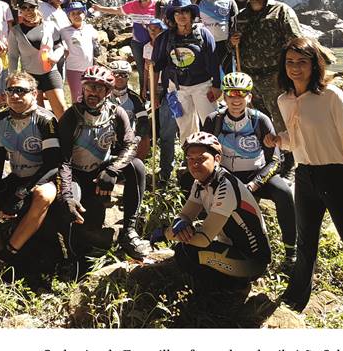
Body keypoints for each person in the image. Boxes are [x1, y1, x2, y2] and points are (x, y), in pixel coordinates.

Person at [267, 37, 343, 328]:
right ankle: (297, 297)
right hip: (306, 174)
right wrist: (278, 140)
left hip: (339, 176)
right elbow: (297, 141)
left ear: (314, 64)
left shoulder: (331, 95)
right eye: (290, 62)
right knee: (305, 241)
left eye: (302, 62)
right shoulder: (285, 100)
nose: (296, 68)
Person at [0, 73, 61, 275]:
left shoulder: (46, 120)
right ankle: (1, 257)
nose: (15, 96)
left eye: (21, 91)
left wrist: (22, 193)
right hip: (16, 176)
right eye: (10, 90)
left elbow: (52, 164)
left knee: (43, 196)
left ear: (34, 93)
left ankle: (6, 255)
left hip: (43, 177)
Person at [150, 132, 271, 292]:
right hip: (232, 248)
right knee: (186, 250)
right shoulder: (201, 183)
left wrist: (166, 233)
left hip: (252, 261)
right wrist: (180, 223)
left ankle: (226, 294)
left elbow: (203, 239)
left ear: (217, 159)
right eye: (190, 159)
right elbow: (186, 214)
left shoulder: (225, 186)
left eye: (201, 159)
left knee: (187, 253)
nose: (194, 164)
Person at [202, 72, 297, 271]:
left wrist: (255, 184)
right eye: (231, 95)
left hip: (256, 176)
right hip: (227, 177)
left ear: (249, 97)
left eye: (242, 94)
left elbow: (275, 159)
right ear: (224, 97)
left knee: (284, 193)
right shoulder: (213, 121)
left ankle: (291, 252)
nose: (236, 100)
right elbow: (206, 156)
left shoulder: (260, 120)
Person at [58, 65, 151, 260]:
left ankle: (129, 232)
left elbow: (130, 146)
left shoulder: (117, 113)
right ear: (82, 88)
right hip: (76, 174)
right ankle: (73, 257)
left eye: (100, 88)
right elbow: (63, 161)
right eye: (90, 87)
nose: (94, 92)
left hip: (103, 170)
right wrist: (67, 194)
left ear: (108, 92)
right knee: (71, 208)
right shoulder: (71, 116)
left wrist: (113, 170)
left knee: (137, 167)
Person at [229, 0, 303, 134]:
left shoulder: (281, 11)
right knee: (259, 122)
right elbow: (231, 48)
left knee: (283, 122)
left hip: (275, 78)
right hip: (249, 79)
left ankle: (290, 157)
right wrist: (232, 42)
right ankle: (269, 156)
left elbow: (297, 43)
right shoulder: (240, 17)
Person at [150, 0, 220, 142]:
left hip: (203, 86)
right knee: (185, 126)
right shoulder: (164, 38)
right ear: (172, 16)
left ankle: (213, 157)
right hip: (177, 87)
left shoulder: (204, 34)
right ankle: (190, 157)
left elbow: (214, 61)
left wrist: (216, 86)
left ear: (191, 15)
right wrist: (155, 93)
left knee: (211, 123)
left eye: (185, 12)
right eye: (177, 13)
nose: (181, 16)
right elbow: (157, 66)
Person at [92, 0, 157, 95]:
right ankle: (144, 95)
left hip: (153, 43)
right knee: (142, 71)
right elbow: (117, 10)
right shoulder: (133, 5)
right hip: (137, 43)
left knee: (154, 69)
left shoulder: (156, 6)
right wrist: (100, 8)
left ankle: (154, 94)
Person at [7, 0, 67, 119]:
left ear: (37, 8)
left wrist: (55, 56)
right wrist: (11, 80)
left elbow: (60, 46)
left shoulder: (49, 25)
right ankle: (43, 137)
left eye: (31, 7)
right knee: (37, 114)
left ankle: (66, 137)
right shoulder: (15, 31)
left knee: (61, 110)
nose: (28, 11)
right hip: (30, 77)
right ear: (20, 11)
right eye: (24, 8)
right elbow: (13, 56)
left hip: (50, 73)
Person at [142, 18, 177, 187]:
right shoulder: (152, 46)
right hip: (166, 92)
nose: (154, 32)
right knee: (166, 134)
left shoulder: (183, 41)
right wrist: (151, 92)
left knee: (188, 132)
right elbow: (152, 70)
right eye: (151, 29)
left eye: (158, 29)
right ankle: (165, 174)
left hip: (187, 90)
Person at [194, 0, 239, 70]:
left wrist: (232, 41)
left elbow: (235, 23)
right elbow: (195, 23)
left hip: (225, 45)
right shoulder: (199, 2)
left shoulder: (230, 2)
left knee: (228, 74)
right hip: (206, 44)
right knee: (209, 75)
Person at [107, 60, 150, 160]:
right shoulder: (104, 95)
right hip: (106, 136)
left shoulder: (134, 98)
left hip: (128, 138)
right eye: (116, 74)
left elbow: (144, 121)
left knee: (145, 138)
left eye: (124, 74)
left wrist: (138, 137)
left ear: (128, 77)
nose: (120, 77)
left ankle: (136, 163)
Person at [60, 1, 100, 103]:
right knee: (77, 96)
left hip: (89, 69)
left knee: (89, 95)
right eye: (73, 13)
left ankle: (88, 116)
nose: (76, 16)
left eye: (79, 13)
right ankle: (77, 117)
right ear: (68, 16)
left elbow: (97, 40)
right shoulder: (64, 31)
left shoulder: (90, 28)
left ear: (84, 14)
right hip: (73, 69)